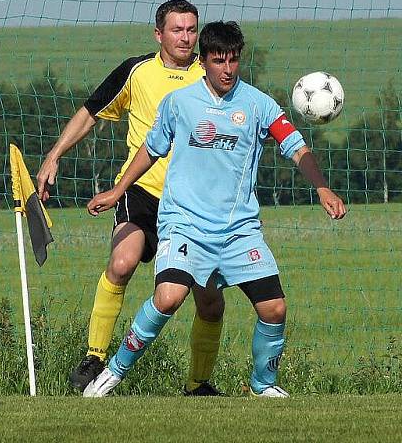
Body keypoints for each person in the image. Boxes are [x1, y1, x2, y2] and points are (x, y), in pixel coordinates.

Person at [84, 20, 346, 398]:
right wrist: (117, 190)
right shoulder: (180, 103)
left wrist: (322, 187)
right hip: (185, 224)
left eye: (234, 60)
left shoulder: (258, 104)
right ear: (203, 61)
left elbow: (297, 148)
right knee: (168, 298)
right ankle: (113, 372)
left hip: (238, 230)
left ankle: (263, 385)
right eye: (218, 60)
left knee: (274, 309)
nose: (227, 69)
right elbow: (150, 149)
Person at [37, 0, 227, 395]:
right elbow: (91, 111)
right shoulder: (136, 71)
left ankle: (198, 383)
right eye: (177, 30)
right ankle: (94, 357)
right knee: (122, 263)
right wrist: (54, 155)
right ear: (158, 34)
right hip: (139, 191)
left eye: (192, 30)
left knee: (209, 298)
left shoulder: (211, 75)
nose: (186, 38)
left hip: (194, 204)